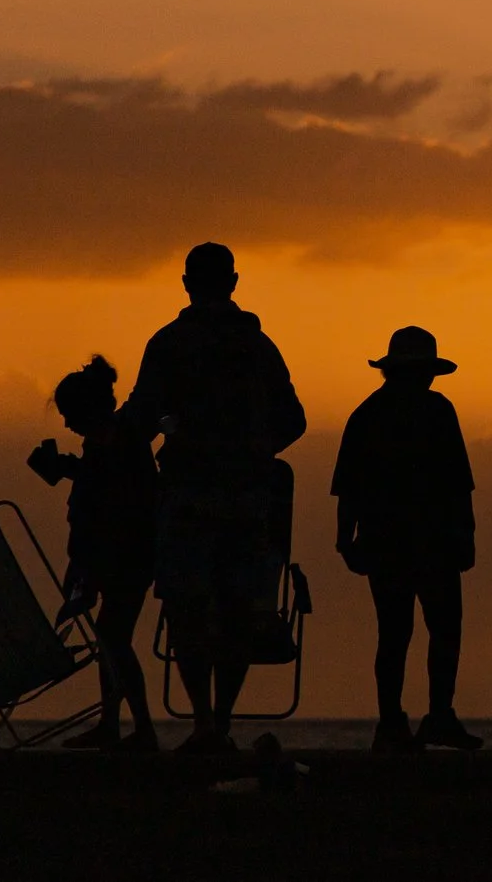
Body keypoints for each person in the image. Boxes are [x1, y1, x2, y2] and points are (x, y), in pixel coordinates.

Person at [119, 242, 306, 755]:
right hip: (248, 499)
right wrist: (255, 453)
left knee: (187, 607)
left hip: (188, 495)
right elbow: (294, 419)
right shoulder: (259, 347)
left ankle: (203, 721)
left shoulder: (170, 343)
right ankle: (219, 722)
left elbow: (140, 416)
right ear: (234, 281)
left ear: (185, 283)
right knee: (237, 609)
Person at [332, 326, 482, 753]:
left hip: (391, 543)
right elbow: (459, 484)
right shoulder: (436, 411)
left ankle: (399, 722)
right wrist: (465, 533)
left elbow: (348, 489)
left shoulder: (367, 415)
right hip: (428, 542)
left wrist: (346, 539)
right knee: (436, 631)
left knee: (398, 633)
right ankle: (427, 717)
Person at [26, 356, 160, 752]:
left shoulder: (120, 442)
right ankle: (114, 725)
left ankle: (140, 730)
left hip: (124, 557)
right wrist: (69, 467)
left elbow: (116, 499)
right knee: (110, 638)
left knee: (114, 639)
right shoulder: (113, 441)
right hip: (117, 556)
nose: (67, 424)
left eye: (69, 414)